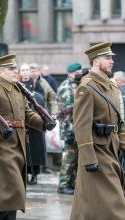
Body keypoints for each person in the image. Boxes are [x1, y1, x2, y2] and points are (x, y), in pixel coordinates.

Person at [0, 54, 45, 220]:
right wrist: (0, 133)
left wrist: (43, 122)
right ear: (0, 71)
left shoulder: (16, 88)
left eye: (15, 68)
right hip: (1, 149)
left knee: (14, 193)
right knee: (6, 192)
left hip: (19, 147)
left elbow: (28, 114)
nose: (15, 71)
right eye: (11, 69)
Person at [70, 41, 125, 220]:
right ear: (95, 61)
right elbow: (81, 126)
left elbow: (119, 122)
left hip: (112, 149)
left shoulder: (111, 87)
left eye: (111, 58)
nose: (111, 61)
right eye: (107, 58)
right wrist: (88, 159)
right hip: (97, 152)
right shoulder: (86, 87)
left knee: (95, 206)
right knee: (113, 206)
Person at [57, 63, 82, 195]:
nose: (79, 73)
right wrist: (68, 132)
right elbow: (64, 113)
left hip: (76, 128)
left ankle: (71, 183)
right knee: (69, 157)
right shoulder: (66, 87)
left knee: (75, 157)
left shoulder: (77, 85)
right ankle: (63, 184)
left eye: (79, 71)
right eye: (76, 72)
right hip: (69, 130)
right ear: (69, 73)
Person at [19, 63, 46, 185]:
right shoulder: (17, 84)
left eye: (26, 70)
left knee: (35, 150)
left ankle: (34, 175)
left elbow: (41, 100)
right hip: (22, 122)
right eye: (22, 70)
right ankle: (24, 173)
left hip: (34, 121)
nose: (25, 72)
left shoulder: (36, 84)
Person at [29, 63, 59, 173]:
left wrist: (54, 113)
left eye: (36, 70)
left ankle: (44, 166)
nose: (34, 72)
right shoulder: (23, 83)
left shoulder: (44, 83)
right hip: (29, 116)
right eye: (32, 70)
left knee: (43, 141)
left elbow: (52, 98)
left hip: (42, 115)